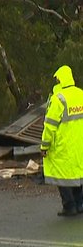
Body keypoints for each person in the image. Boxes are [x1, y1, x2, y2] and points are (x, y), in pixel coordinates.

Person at [40, 65, 83, 217]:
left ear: (59, 79)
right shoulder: (80, 94)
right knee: (77, 174)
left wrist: (44, 145)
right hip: (79, 145)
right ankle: (79, 204)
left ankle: (69, 206)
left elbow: (49, 125)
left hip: (62, 146)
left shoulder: (58, 99)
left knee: (61, 175)